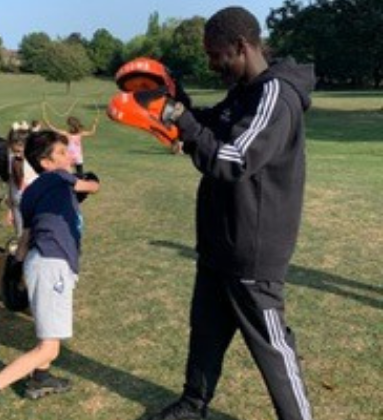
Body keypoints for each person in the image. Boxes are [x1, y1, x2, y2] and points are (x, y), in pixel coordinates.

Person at [147, 7, 316, 420]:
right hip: (218, 244)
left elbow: (232, 159)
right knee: (205, 332)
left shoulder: (275, 95)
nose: (211, 62)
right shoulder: (245, 90)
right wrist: (180, 104)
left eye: (214, 54)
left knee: (273, 350)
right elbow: (216, 125)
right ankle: (193, 403)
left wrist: (182, 121)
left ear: (241, 46)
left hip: (252, 252)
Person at [0, 129, 100, 420]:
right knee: (48, 348)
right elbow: (91, 188)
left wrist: (14, 268)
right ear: (45, 162)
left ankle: (40, 379)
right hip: (51, 265)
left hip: (41, 261)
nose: (68, 156)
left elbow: (26, 236)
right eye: (61, 153)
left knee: (51, 344)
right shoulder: (58, 178)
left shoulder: (33, 191)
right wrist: (93, 179)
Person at [6, 122, 38, 236]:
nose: (17, 155)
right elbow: (10, 183)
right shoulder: (11, 159)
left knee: (36, 234)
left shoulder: (35, 161)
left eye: (20, 151)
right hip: (17, 204)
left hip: (34, 204)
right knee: (20, 235)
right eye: (14, 151)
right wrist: (10, 209)